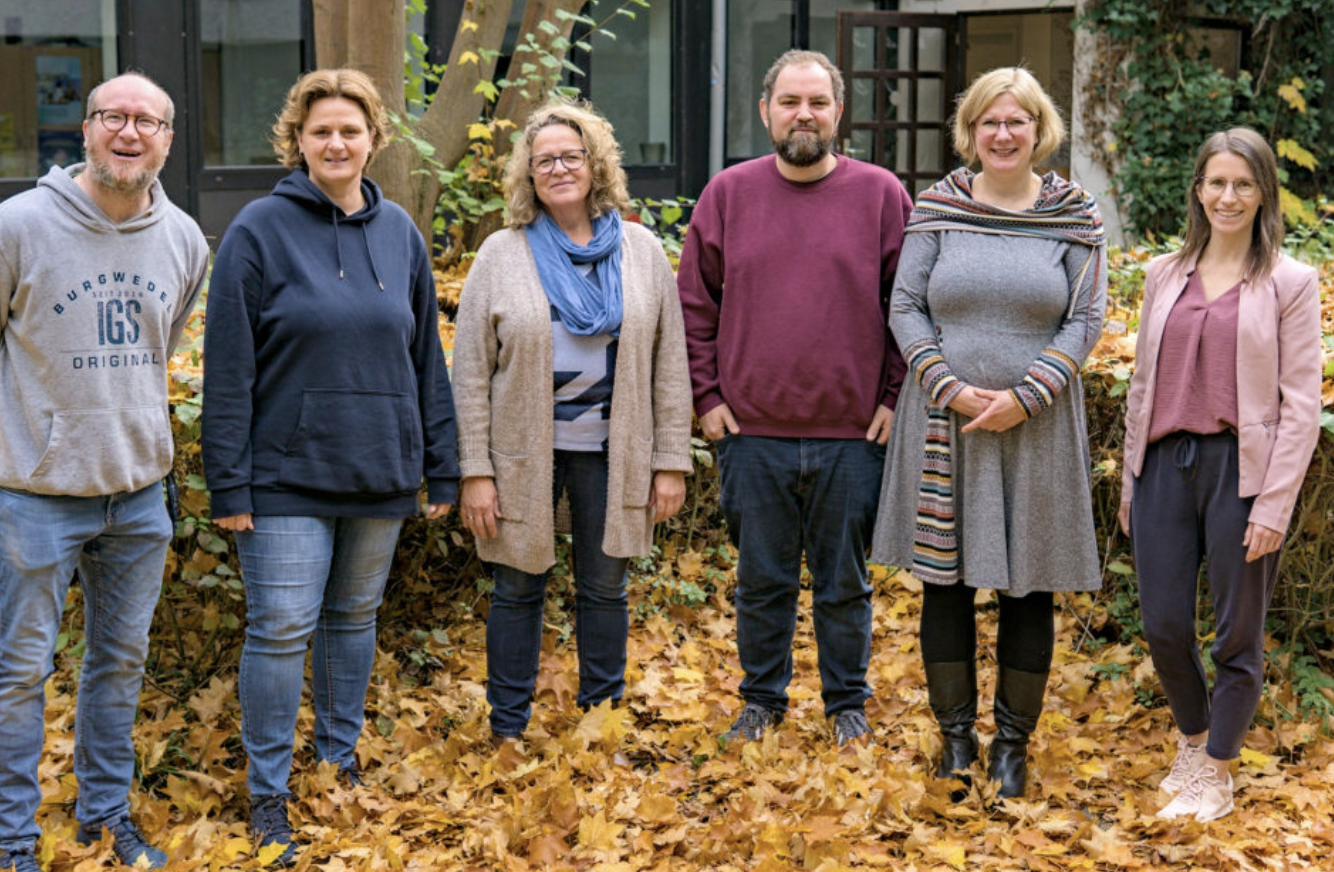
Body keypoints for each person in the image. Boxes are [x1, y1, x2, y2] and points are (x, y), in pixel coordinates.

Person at [0, 73, 207, 872]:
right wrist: (37, 431)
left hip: (136, 496)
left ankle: (105, 815)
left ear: (168, 138)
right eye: (114, 118)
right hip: (36, 496)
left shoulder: (186, 239)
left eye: (149, 122)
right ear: (86, 130)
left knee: (119, 664)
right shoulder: (14, 227)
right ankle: (13, 842)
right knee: (22, 670)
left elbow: (161, 345)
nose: (130, 134)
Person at [201, 68, 459, 864]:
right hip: (283, 480)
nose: (337, 143)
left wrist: (441, 467)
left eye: (351, 130)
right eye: (322, 132)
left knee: (353, 622)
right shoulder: (256, 231)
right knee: (281, 631)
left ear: (373, 139)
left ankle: (337, 759)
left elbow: (426, 362)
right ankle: (270, 793)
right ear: (298, 141)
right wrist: (229, 481)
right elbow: (229, 366)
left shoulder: (401, 235)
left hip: (381, 471)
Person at [871, 67, 1107, 798]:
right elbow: (905, 305)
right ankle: (954, 742)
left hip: (1035, 428)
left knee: (1027, 587)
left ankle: (1011, 746)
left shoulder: (1074, 213)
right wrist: (949, 384)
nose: (1003, 134)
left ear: (1041, 131)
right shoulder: (938, 206)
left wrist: (1026, 395)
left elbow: (1086, 318)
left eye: (1018, 122)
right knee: (944, 584)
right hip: (946, 422)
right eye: (989, 122)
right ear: (970, 131)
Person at [678, 50, 911, 746]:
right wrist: (706, 396)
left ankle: (847, 706)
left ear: (839, 112)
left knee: (845, 583)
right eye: (789, 102)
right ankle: (762, 704)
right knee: (762, 582)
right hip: (751, 431)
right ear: (766, 112)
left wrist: (895, 397)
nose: (803, 114)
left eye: (817, 102)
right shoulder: (728, 194)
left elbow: (909, 304)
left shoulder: (880, 195)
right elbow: (695, 305)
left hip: (852, 433)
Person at [452, 98, 692, 742]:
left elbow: (671, 363)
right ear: (528, 176)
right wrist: (474, 470)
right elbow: (470, 372)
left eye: (570, 156)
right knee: (516, 589)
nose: (558, 168)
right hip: (523, 456)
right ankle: (507, 729)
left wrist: (672, 459)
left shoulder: (641, 251)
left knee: (605, 589)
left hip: (614, 454)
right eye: (543, 161)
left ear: (596, 164)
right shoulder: (502, 254)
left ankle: (601, 724)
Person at [1119, 128, 1320, 823]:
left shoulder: (1290, 282)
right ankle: (1194, 737)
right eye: (1216, 183)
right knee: (1165, 624)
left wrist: (1274, 504)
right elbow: (1142, 385)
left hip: (1242, 471)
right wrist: (1128, 482)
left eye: (1242, 184)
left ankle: (1218, 768)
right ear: (1197, 190)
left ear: (1263, 191)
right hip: (1163, 470)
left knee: (1237, 632)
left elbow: (1302, 405)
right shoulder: (1161, 275)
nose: (1227, 196)